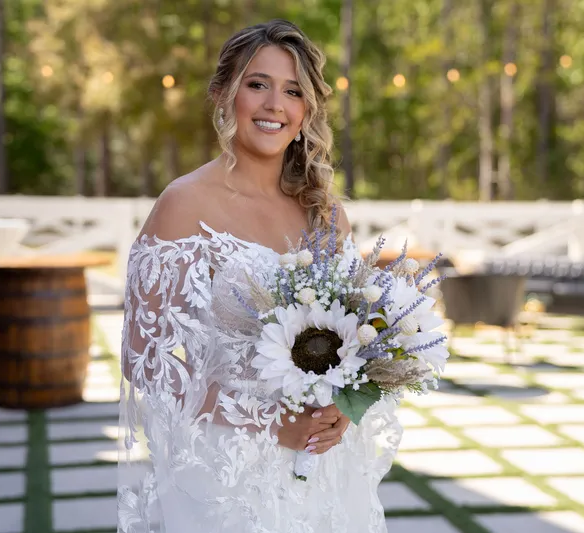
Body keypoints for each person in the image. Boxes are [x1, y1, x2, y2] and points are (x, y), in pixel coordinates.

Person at [117, 19, 402, 533]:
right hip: (229, 468)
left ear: (307, 111)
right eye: (258, 84)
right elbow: (146, 363)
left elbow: (354, 341)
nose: (275, 105)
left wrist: (346, 408)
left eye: (292, 91)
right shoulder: (184, 206)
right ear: (223, 93)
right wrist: (270, 423)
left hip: (326, 468)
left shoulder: (326, 215)